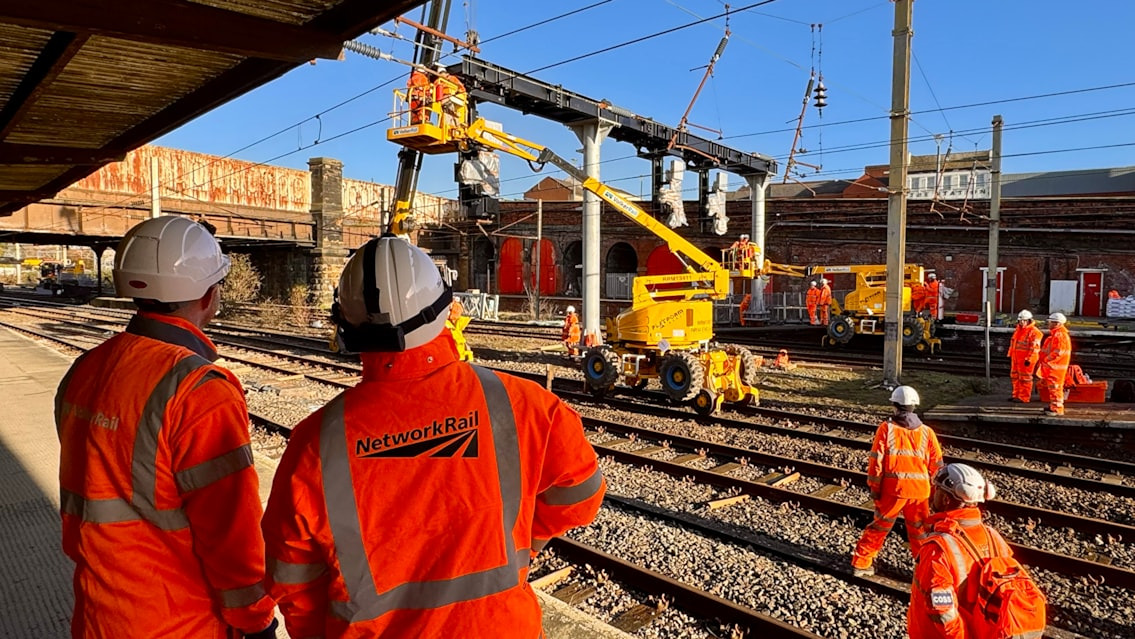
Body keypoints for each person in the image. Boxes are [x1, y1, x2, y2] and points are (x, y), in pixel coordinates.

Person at [262, 236, 605, 638]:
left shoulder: (315, 445)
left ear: (348, 330)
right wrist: (522, 540)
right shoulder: (525, 405)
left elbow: (292, 581)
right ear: (447, 310)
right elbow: (581, 496)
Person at [54, 216, 278, 638]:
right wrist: (256, 620)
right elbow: (232, 536)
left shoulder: (86, 368)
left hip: (98, 615)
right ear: (210, 294)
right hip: (177, 621)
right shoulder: (198, 390)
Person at [909, 463, 1046, 639]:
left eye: (937, 489)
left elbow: (941, 610)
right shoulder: (993, 536)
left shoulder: (938, 548)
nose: (933, 494)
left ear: (946, 499)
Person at [851, 385, 943, 577]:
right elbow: (937, 466)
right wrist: (935, 494)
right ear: (914, 406)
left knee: (879, 527)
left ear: (894, 405)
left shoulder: (887, 429)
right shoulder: (927, 432)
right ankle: (925, 572)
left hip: (893, 491)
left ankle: (861, 563)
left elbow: (876, 462)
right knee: (920, 534)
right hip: (919, 492)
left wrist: (875, 488)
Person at [1038, 312, 1072, 416]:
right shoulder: (1056, 335)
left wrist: (1047, 360)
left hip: (1056, 367)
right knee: (1053, 388)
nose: (1048, 324)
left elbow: (1058, 352)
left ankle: (1057, 409)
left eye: (1050, 322)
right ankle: (1054, 406)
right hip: (1054, 367)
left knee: (1055, 388)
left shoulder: (1060, 335)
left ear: (1057, 323)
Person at [1007, 309, 1043, 403]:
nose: (1022, 322)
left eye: (1024, 320)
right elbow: (1014, 344)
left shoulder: (1035, 332)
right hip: (1016, 358)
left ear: (1029, 321)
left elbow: (1035, 348)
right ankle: (1016, 395)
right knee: (1015, 377)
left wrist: (1029, 359)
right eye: (1020, 320)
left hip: (1026, 360)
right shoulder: (1018, 330)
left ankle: (1024, 397)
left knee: (1025, 378)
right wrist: (1010, 354)